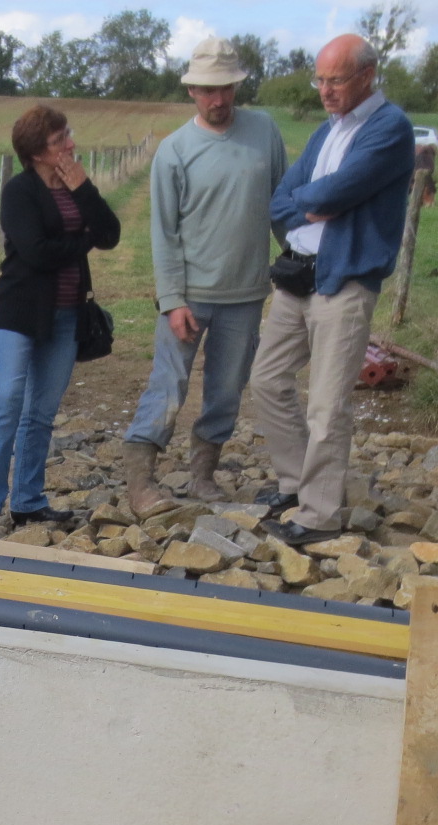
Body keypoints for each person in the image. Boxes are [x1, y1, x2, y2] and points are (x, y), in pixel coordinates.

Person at [252, 34, 415, 546]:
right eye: (319, 79)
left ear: (367, 76)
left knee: (327, 404)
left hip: (343, 282)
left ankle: (319, 515)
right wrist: (313, 204)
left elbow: (338, 192)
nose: (325, 90)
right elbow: (284, 198)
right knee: (267, 379)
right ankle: (296, 482)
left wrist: (319, 200)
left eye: (335, 79)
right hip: (298, 277)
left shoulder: (389, 129)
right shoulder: (329, 131)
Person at [122, 37, 287, 515]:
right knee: (168, 384)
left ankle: (202, 474)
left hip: (247, 292)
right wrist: (172, 299)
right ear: (192, 90)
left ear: (237, 87)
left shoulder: (265, 132)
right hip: (190, 296)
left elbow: (280, 205)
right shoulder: (174, 151)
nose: (218, 101)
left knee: (226, 388)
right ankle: (141, 481)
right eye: (207, 91)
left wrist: (300, 255)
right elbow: (164, 233)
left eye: (226, 90)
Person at [0, 106, 121, 534]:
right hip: (17, 312)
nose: (70, 145)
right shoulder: (19, 192)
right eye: (59, 141)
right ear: (36, 152)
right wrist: (83, 238)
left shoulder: (76, 186)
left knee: (40, 413)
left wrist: (85, 190)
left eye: (68, 136)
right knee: (7, 400)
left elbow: (110, 234)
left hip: (68, 315)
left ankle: (29, 500)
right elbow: (35, 252)